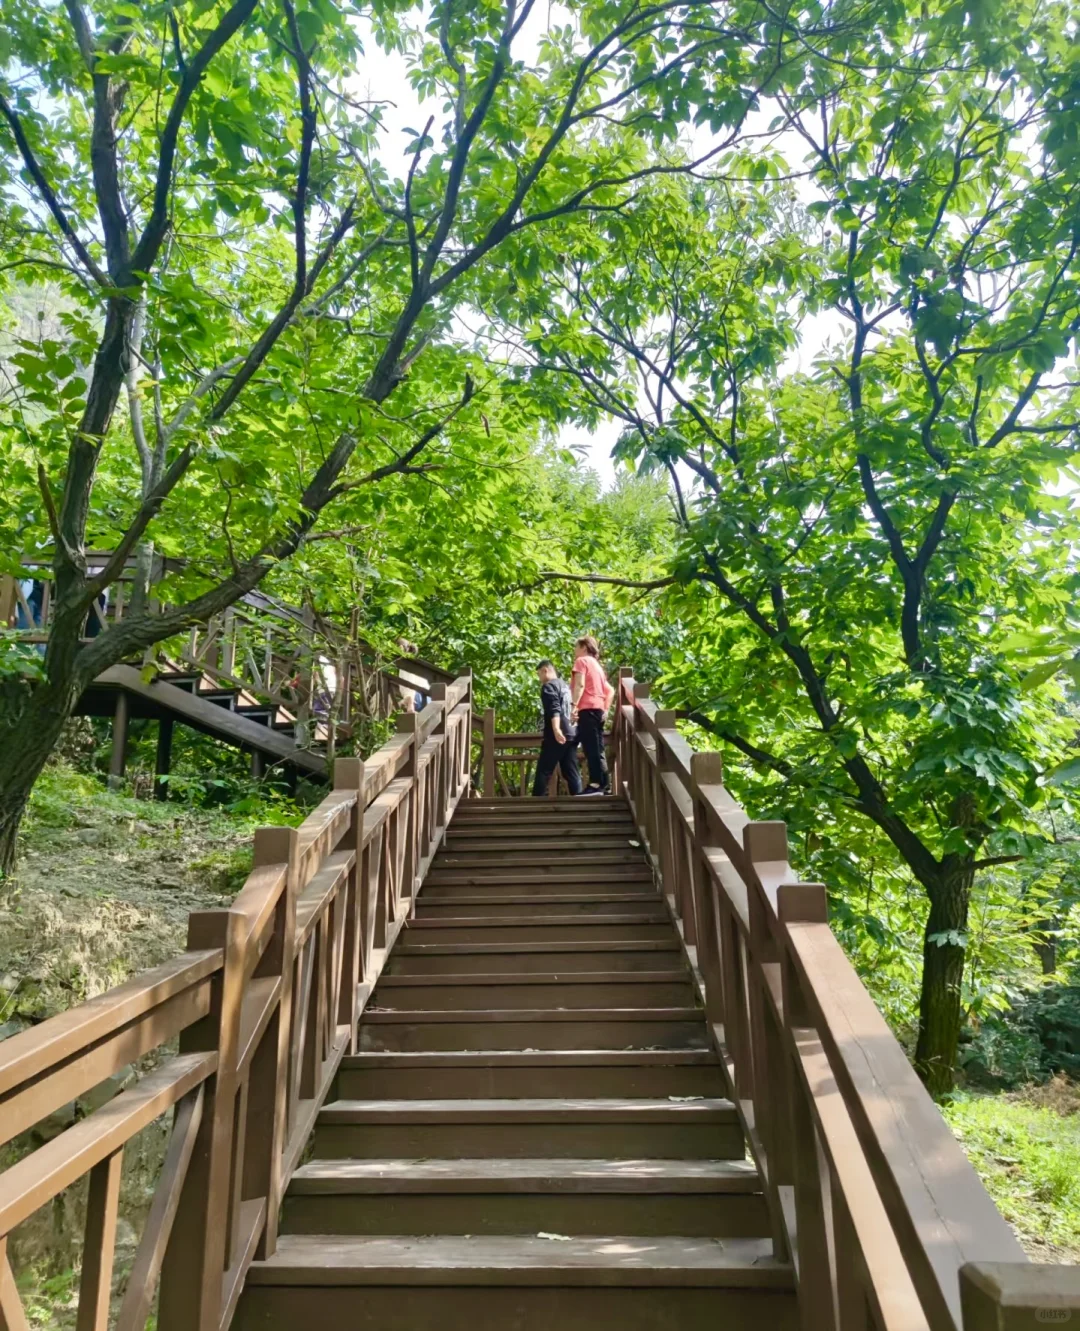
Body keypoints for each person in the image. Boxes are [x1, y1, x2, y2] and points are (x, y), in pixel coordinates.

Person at [571, 635, 614, 796]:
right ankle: (604, 785)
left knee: (591, 748)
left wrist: (573, 706)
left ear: (583, 647)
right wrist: (606, 709)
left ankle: (596, 784)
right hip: (597, 710)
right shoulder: (597, 666)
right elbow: (610, 690)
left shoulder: (582, 661)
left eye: (576, 647)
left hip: (587, 709)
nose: (575, 651)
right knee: (597, 748)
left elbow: (580, 684)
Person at [533, 659, 582, 797]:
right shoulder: (565, 686)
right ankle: (580, 801)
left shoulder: (548, 686)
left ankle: (535, 805)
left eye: (539, 674)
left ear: (545, 670)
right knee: (571, 770)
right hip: (572, 733)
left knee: (544, 770)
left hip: (557, 735)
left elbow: (554, 708)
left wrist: (556, 729)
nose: (540, 679)